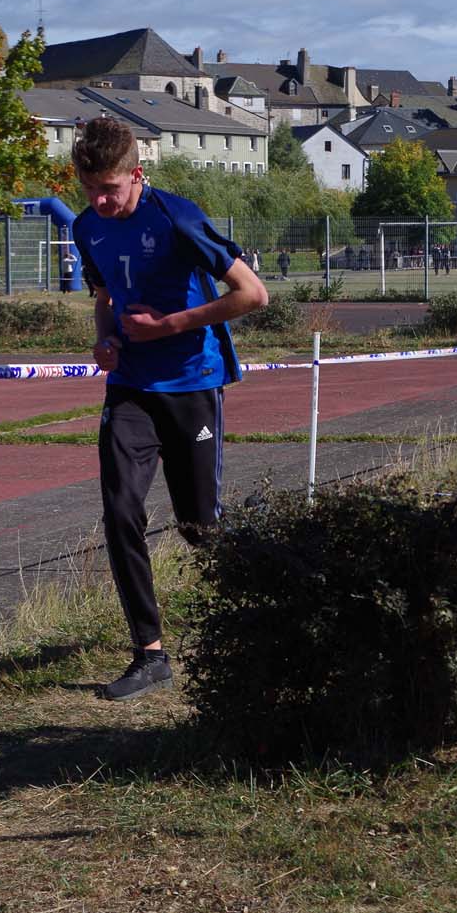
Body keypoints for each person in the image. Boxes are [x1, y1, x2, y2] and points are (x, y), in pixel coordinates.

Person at [73, 117, 268, 702]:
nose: (101, 202)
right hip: (131, 387)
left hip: (191, 383)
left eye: (110, 188)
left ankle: (267, 604)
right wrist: (106, 340)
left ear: (137, 174)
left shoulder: (177, 217)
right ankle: (149, 652)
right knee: (120, 512)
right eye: (90, 191)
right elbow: (106, 298)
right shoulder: (87, 228)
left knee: (199, 528)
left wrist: (169, 326)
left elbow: (252, 294)